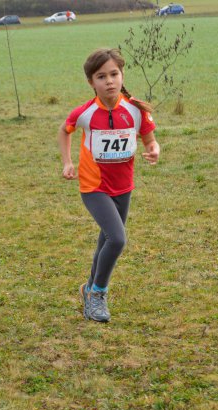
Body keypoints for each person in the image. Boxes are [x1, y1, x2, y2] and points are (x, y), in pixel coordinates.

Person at [57, 48, 160, 322]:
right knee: (117, 238)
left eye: (114, 74)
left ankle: (88, 288)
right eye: (101, 77)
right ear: (91, 82)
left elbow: (150, 139)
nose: (109, 81)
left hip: (124, 187)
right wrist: (67, 162)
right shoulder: (85, 113)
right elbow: (64, 131)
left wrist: (153, 149)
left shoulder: (135, 110)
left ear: (122, 75)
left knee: (107, 238)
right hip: (94, 187)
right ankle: (98, 294)